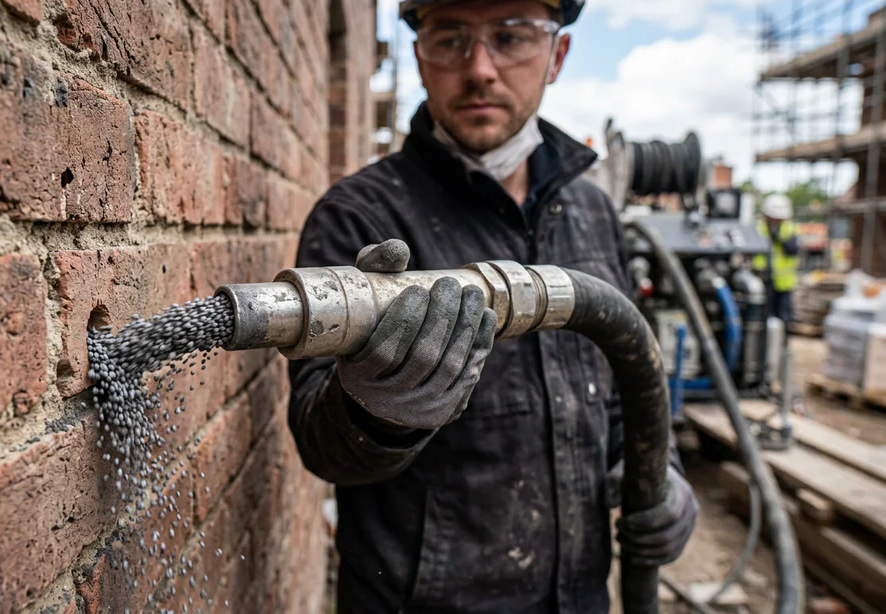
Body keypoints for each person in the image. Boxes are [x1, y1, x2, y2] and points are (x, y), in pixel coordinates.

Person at [287, 1, 699, 612]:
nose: (480, 68)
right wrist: (376, 412)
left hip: (580, 598)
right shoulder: (360, 215)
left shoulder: (591, 213)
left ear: (556, 55)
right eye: (450, 38)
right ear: (420, 58)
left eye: (511, 37)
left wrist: (660, 472)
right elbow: (321, 447)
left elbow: (625, 386)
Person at [754, 193, 800, 324]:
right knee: (762, 316)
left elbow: (793, 250)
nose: (777, 221)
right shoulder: (757, 228)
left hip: (783, 282)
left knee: (783, 316)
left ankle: (782, 335)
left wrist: (779, 239)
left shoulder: (789, 228)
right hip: (762, 280)